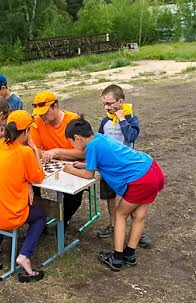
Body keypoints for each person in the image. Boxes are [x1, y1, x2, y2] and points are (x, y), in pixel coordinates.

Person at [62, 118, 164, 272]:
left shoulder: (90, 147)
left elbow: (89, 175)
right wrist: (86, 163)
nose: (73, 146)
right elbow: (106, 158)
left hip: (139, 179)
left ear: (77, 138)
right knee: (138, 216)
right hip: (152, 170)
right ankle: (130, 254)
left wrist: (70, 170)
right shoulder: (101, 138)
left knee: (120, 214)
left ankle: (117, 257)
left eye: (71, 143)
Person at [0, 111, 47, 282]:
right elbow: (38, 177)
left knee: (7, 205)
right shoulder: (25, 152)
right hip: (8, 212)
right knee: (40, 216)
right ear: (25, 132)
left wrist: (27, 184)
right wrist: (35, 151)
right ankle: (25, 255)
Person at [94, 84, 150, 248]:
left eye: (110, 103)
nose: (107, 107)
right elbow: (100, 141)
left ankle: (137, 232)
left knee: (131, 200)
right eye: (104, 104)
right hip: (109, 169)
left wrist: (122, 119)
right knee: (110, 198)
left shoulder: (132, 119)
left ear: (120, 101)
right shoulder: (105, 121)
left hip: (127, 170)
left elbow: (132, 136)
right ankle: (113, 225)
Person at [30, 91, 85, 228]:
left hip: (74, 165)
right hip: (49, 165)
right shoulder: (37, 121)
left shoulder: (73, 120)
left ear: (55, 106)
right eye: (39, 113)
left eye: (44, 112)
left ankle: (63, 219)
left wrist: (58, 152)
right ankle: (39, 219)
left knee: (73, 194)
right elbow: (35, 149)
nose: (41, 116)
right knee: (30, 184)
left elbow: (83, 153)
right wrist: (49, 154)